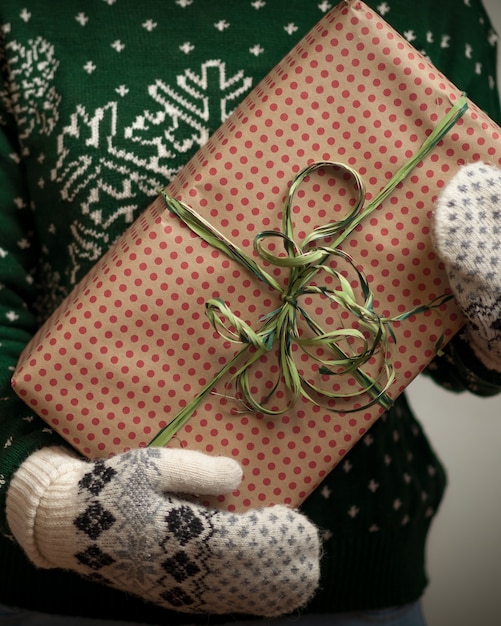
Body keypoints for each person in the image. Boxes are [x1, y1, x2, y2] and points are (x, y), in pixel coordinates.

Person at [0, 1, 500, 625]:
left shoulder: (435, 12)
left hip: (361, 592)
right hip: (61, 601)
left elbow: (454, 356)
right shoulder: (22, 16)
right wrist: (50, 505)